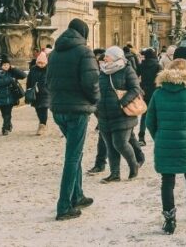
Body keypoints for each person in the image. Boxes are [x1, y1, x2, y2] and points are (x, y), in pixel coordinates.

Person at [146, 59, 186, 234]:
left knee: (167, 181)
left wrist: (159, 137)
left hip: (164, 142)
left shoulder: (158, 93)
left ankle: (169, 219)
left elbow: (149, 121)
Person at [46, 18, 100, 221]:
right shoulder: (84, 52)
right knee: (72, 157)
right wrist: (95, 100)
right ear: (83, 33)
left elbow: (47, 81)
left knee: (74, 153)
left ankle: (77, 195)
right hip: (77, 110)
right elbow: (91, 81)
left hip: (58, 109)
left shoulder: (55, 53)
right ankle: (64, 205)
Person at [95, 45, 142, 183]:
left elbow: (135, 89)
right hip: (104, 114)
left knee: (120, 143)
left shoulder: (127, 70)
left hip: (123, 114)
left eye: (107, 56)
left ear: (115, 57)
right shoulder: (103, 71)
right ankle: (114, 174)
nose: (105, 58)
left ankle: (134, 166)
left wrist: (122, 102)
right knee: (110, 145)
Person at [0, 54, 27, 135]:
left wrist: (14, 68)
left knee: (8, 113)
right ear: (1, 65)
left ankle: (4, 128)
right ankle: (8, 125)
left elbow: (23, 75)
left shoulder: (12, 72)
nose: (6, 66)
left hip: (11, 96)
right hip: (1, 96)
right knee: (4, 113)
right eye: (4, 65)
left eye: (7, 65)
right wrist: (11, 80)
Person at [88, 48, 108, 175]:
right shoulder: (96, 74)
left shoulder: (122, 71)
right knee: (103, 136)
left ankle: (138, 157)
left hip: (118, 111)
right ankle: (100, 163)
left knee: (127, 139)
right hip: (102, 109)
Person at [137, 48, 162, 146]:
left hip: (144, 92)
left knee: (144, 115)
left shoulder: (141, 65)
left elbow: (135, 76)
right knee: (157, 114)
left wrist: (140, 87)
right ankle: (158, 136)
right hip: (155, 92)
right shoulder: (157, 66)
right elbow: (161, 79)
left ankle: (141, 137)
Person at [27, 49, 52, 136]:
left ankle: (42, 125)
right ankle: (42, 123)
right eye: (39, 63)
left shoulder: (49, 70)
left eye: (42, 63)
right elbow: (29, 80)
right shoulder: (33, 69)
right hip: (35, 93)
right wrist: (28, 89)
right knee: (38, 108)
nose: (40, 64)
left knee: (44, 108)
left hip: (46, 93)